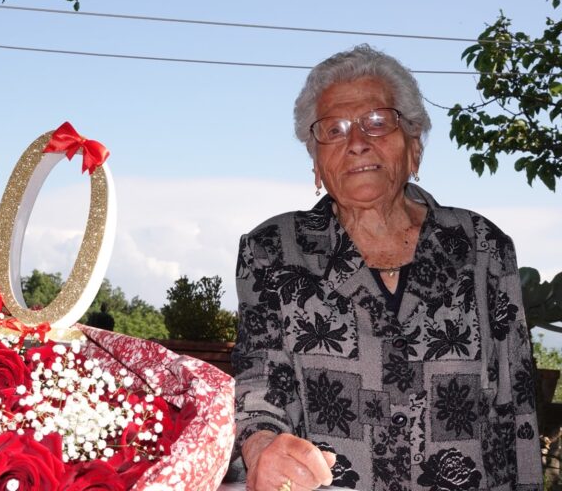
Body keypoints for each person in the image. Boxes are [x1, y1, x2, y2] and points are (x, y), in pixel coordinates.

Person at [232, 45, 543, 491]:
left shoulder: (483, 248)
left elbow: (519, 413)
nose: (357, 141)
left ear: (414, 145)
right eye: (333, 130)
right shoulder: (272, 250)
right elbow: (259, 384)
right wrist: (262, 446)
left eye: (377, 122)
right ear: (316, 164)